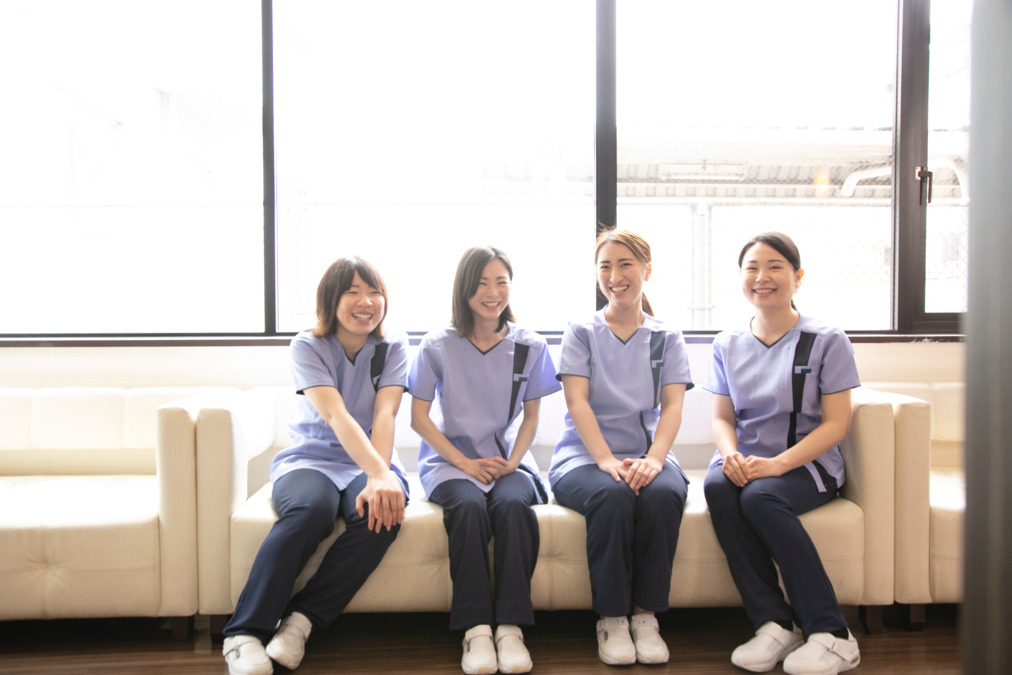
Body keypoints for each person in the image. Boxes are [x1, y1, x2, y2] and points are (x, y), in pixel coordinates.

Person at [222, 257, 409, 675]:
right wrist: (379, 474)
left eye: (374, 292)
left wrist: (381, 474)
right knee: (311, 510)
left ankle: (300, 622)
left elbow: (385, 414)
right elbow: (335, 414)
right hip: (311, 459)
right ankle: (243, 633)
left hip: (372, 459)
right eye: (353, 292)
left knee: (381, 514)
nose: (366, 302)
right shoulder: (307, 345)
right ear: (331, 299)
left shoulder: (393, 346)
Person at [702, 232, 861, 675]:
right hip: (748, 459)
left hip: (807, 464)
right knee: (718, 487)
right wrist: (730, 455)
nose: (762, 277)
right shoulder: (727, 343)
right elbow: (721, 418)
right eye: (752, 268)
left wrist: (777, 465)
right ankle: (774, 623)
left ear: (797, 277)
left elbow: (836, 424)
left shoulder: (826, 339)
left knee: (761, 496)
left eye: (774, 267)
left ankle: (833, 633)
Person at [409, 246, 560, 675]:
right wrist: (464, 463)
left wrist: (513, 461)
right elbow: (419, 419)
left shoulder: (529, 345)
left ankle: (511, 627)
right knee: (469, 507)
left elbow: (532, 417)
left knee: (513, 505)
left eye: (501, 282)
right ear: (464, 289)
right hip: (450, 462)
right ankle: (475, 628)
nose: (492, 293)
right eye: (481, 284)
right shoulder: (438, 345)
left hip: (507, 459)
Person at [549, 229, 692, 667]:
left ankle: (645, 616)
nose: (615, 276)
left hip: (648, 453)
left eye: (625, 264)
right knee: (611, 495)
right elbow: (576, 402)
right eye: (605, 267)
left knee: (664, 494)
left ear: (647, 271)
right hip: (583, 457)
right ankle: (611, 618)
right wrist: (605, 459)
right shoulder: (581, 331)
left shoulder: (667, 337)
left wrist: (655, 459)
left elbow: (673, 406)